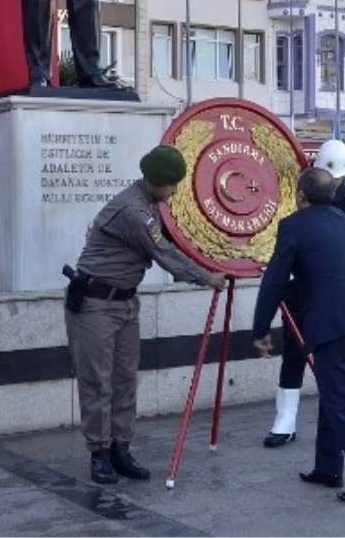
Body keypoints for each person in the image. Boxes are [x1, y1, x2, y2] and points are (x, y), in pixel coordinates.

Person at [66, 145, 225, 484]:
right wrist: (207, 277)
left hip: (125, 302)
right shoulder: (132, 211)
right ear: (155, 181)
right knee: (98, 382)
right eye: (171, 185)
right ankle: (100, 453)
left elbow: (175, 240)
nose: (175, 191)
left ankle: (121, 449)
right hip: (96, 303)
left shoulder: (148, 205)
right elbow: (163, 252)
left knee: (125, 380)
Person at [252, 167, 345, 506]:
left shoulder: (293, 226)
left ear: (300, 195)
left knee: (339, 403)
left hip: (334, 325)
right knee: (337, 395)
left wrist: (260, 328)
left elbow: (274, 280)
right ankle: (328, 468)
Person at [263, 139, 345, 448]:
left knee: (333, 367)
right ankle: (285, 420)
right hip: (299, 286)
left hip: (331, 293)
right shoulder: (302, 188)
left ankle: (333, 432)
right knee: (293, 353)